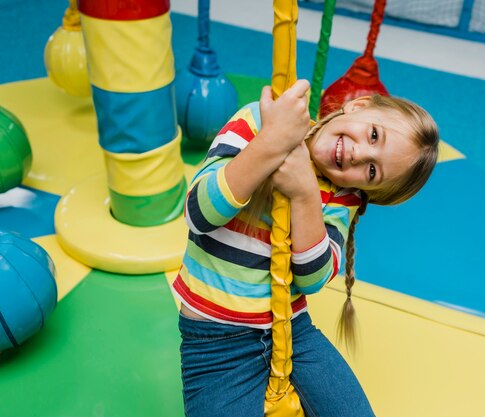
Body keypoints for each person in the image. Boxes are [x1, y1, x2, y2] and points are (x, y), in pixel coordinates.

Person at [172, 79, 439, 417]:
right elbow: (198, 213)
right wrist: (270, 144)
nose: (359, 153)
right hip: (216, 340)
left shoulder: (343, 196)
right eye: (374, 135)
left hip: (293, 331)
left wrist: (304, 193)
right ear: (358, 106)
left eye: (372, 170)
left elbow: (312, 278)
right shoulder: (259, 120)